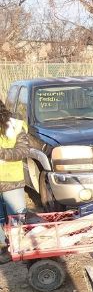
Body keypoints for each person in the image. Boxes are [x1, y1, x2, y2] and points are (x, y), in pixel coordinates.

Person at [0, 99, 31, 262]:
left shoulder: (15, 125)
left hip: (11, 181)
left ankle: (20, 248)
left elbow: (23, 151)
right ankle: (3, 249)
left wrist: (2, 153)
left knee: (17, 216)